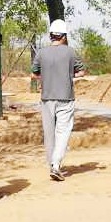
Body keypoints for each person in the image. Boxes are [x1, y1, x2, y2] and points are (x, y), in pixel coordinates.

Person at [31, 19, 85, 181]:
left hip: (47, 97)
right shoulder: (71, 52)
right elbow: (81, 72)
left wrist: (46, 77)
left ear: (51, 35)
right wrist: (69, 75)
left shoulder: (41, 53)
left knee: (49, 133)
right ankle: (56, 164)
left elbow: (34, 74)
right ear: (64, 36)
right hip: (66, 97)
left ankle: (52, 164)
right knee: (63, 131)